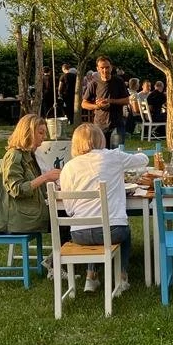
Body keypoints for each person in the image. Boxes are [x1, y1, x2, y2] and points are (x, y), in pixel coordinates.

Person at [59, 123, 148, 295]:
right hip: (113, 230)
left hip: (79, 234)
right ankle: (122, 277)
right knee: (123, 231)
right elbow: (143, 160)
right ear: (101, 139)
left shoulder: (68, 167)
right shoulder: (112, 156)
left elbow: (69, 209)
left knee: (96, 225)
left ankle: (90, 276)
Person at [0, 114, 61, 236]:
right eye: (41, 133)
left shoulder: (30, 154)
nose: (44, 137)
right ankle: (60, 253)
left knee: (69, 214)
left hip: (29, 211)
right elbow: (16, 189)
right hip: (19, 218)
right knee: (65, 217)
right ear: (28, 132)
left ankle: (60, 252)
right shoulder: (14, 155)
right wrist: (45, 177)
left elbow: (37, 187)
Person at [82, 55, 130, 147]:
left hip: (117, 124)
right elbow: (84, 103)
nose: (105, 70)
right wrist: (97, 106)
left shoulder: (118, 81)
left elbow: (127, 100)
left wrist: (110, 101)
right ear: (98, 69)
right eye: (102, 68)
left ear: (111, 67)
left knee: (116, 153)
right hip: (99, 125)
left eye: (107, 67)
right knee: (101, 155)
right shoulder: (94, 83)